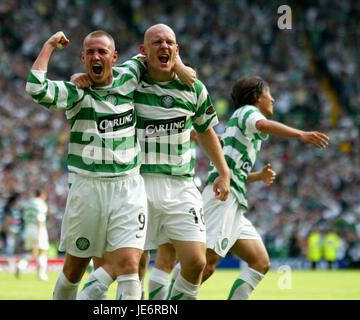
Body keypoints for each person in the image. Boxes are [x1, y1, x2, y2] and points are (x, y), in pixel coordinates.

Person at [26, 30, 193, 300]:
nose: (96, 56)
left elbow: (156, 51)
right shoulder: (76, 93)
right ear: (82, 58)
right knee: (74, 269)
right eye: (90, 52)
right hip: (88, 188)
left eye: (102, 52)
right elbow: (36, 88)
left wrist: (182, 68)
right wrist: (48, 46)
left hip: (128, 187)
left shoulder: (129, 76)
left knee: (129, 265)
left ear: (114, 57)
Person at [75, 24, 230, 301]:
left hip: (181, 183)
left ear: (177, 49)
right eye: (157, 42)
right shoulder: (131, 82)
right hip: (138, 183)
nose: (164, 47)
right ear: (144, 52)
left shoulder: (193, 88)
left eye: (170, 42)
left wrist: (223, 172)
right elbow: (101, 75)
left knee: (196, 262)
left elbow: (206, 130)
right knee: (127, 265)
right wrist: (81, 77)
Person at [196, 75, 329, 299]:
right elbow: (262, 124)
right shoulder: (248, 112)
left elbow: (233, 168)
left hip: (233, 198)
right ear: (257, 98)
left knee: (260, 262)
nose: (273, 99)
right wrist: (301, 134)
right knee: (205, 265)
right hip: (223, 197)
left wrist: (258, 176)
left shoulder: (241, 122)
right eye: (269, 94)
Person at [16, 190, 49, 281]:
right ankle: (42, 275)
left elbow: (24, 217)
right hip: (38, 228)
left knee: (30, 251)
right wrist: (40, 233)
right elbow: (40, 219)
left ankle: (21, 265)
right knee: (42, 251)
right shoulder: (41, 204)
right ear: (42, 195)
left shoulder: (28, 204)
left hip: (28, 229)